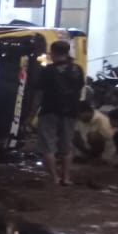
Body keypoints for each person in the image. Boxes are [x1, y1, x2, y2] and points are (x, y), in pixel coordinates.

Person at [32, 40, 87, 185]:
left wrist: (31, 114)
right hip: (70, 111)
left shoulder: (48, 71)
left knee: (47, 145)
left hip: (49, 110)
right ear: (68, 52)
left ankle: (54, 178)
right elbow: (80, 89)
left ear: (52, 53)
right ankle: (66, 177)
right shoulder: (77, 69)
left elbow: (39, 94)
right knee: (66, 145)